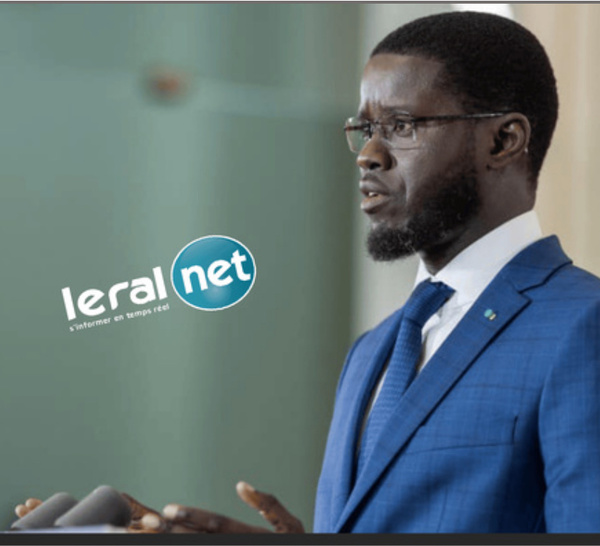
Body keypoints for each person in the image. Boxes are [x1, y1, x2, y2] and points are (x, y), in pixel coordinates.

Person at [14, 10, 600, 534]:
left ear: (503, 140)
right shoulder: (373, 351)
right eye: (364, 129)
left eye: (401, 126)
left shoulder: (582, 327)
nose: (368, 155)